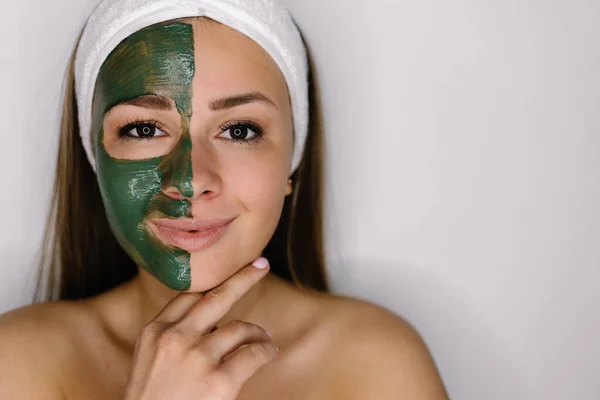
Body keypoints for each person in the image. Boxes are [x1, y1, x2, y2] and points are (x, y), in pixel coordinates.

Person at [0, 0, 449, 398]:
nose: (192, 180)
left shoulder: (376, 361)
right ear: (95, 159)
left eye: (239, 131)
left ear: (291, 164)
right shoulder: (18, 361)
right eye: (143, 129)